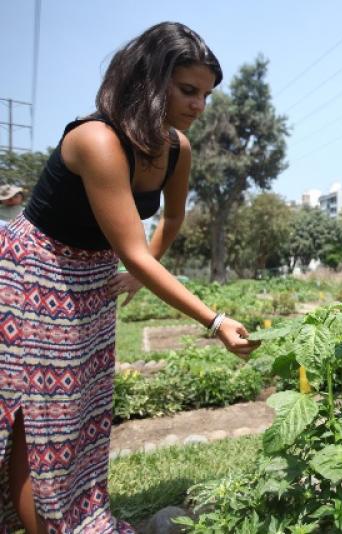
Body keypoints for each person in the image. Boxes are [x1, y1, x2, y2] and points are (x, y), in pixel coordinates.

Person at [0, 22, 259, 533]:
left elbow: (172, 221)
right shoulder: (95, 140)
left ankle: (75, 513)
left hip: (93, 274)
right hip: (34, 273)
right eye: (188, 91)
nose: (199, 106)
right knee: (38, 418)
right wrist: (215, 320)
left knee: (81, 408)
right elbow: (135, 253)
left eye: (206, 94)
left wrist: (141, 273)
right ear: (149, 80)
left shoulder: (176, 149)